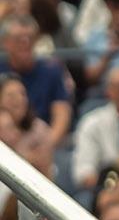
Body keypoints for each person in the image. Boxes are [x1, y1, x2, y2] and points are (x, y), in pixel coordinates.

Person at [0, 16, 71, 149]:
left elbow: (62, 115)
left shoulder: (52, 70)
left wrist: (45, 146)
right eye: (18, 39)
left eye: (30, 38)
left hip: (40, 140)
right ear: (5, 42)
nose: (25, 42)